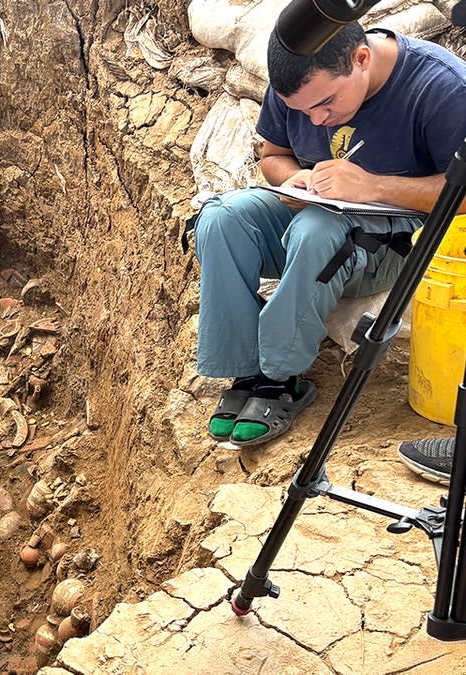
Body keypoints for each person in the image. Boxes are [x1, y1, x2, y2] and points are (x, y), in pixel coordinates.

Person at [191, 22, 466, 448]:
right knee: (222, 219)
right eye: (303, 112)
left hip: (395, 241)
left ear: (361, 59)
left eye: (325, 105)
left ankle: (280, 378)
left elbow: (463, 194)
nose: (316, 120)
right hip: (317, 213)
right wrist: (296, 177)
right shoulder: (301, 83)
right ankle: (245, 368)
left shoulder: (441, 87)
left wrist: (372, 186)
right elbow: (274, 156)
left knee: (316, 230)